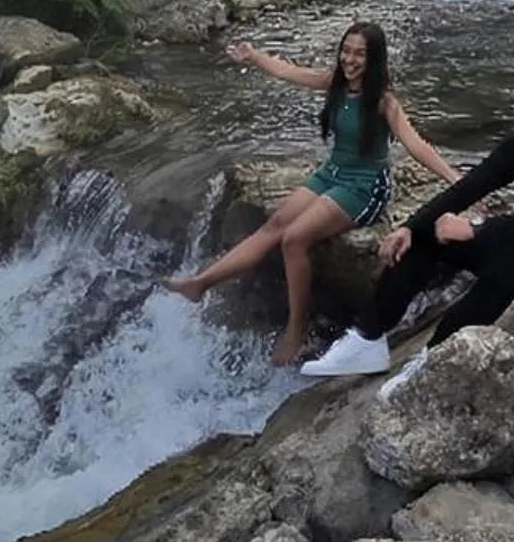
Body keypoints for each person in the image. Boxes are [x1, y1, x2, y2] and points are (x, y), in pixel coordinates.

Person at [300, 31, 514, 378]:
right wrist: (410, 226)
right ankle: (368, 339)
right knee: (428, 233)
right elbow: (470, 186)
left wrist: (476, 228)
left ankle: (433, 361)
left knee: (513, 249)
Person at [162, 22, 460, 366]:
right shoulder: (335, 82)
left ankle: (296, 328)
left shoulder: (383, 101)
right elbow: (290, 72)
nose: (350, 60)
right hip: (331, 172)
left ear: (374, 59)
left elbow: (416, 145)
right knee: (276, 224)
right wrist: (254, 56)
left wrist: (457, 180)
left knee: (294, 239)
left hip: (365, 186)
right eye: (346, 51)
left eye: (359, 54)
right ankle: (200, 284)